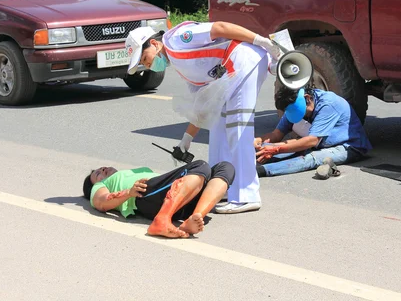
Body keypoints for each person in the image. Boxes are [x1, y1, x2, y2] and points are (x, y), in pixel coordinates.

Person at [124, 22, 282, 214]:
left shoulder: (177, 39)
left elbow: (220, 28)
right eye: (141, 63)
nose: (146, 64)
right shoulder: (180, 65)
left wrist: (261, 41)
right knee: (217, 129)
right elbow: (204, 107)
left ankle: (246, 195)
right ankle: (221, 187)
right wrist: (186, 139)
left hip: (244, 62)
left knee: (237, 128)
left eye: (143, 57)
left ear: (154, 44)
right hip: (232, 74)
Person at [82, 160, 235, 238]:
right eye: (97, 173)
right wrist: (128, 193)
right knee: (201, 165)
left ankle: (195, 217)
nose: (102, 170)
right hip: (144, 195)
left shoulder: (131, 172)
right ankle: (162, 220)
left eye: (102, 168)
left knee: (225, 167)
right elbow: (101, 202)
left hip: (180, 201)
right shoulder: (103, 184)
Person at [254, 85, 372, 178]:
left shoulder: (329, 104)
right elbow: (276, 134)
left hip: (347, 146)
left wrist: (276, 149)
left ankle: (261, 171)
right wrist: (259, 141)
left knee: (311, 158)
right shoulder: (293, 104)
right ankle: (246, 160)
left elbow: (312, 140)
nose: (301, 117)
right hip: (317, 143)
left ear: (308, 98)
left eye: (301, 113)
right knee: (265, 148)